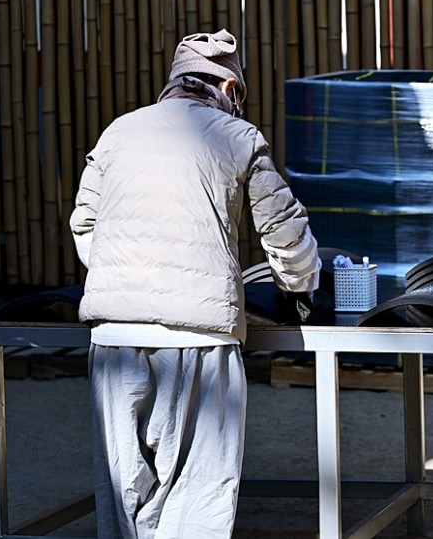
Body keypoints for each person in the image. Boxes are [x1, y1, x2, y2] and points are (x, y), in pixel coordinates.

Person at [69, 29, 320, 538]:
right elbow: (284, 231)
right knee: (197, 488)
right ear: (228, 89)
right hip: (198, 336)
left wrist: (127, 278)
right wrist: (301, 285)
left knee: (122, 489)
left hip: (113, 336)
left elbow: (85, 226)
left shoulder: (118, 132)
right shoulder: (239, 137)